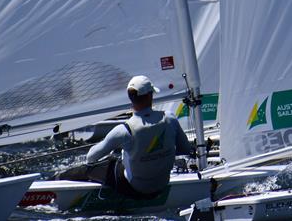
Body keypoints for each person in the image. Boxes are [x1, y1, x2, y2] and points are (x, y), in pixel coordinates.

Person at [57, 75, 192, 198]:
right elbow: (185, 149)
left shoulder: (124, 130)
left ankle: (56, 180)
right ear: (150, 95)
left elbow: (90, 158)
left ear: (130, 98)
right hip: (161, 185)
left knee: (92, 168)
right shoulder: (170, 118)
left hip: (135, 189)